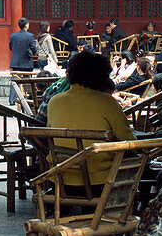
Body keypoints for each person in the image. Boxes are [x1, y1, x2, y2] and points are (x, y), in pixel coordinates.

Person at [45, 51, 135, 189]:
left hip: (60, 178)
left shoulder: (55, 102)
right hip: (100, 181)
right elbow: (129, 142)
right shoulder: (107, 102)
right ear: (102, 77)